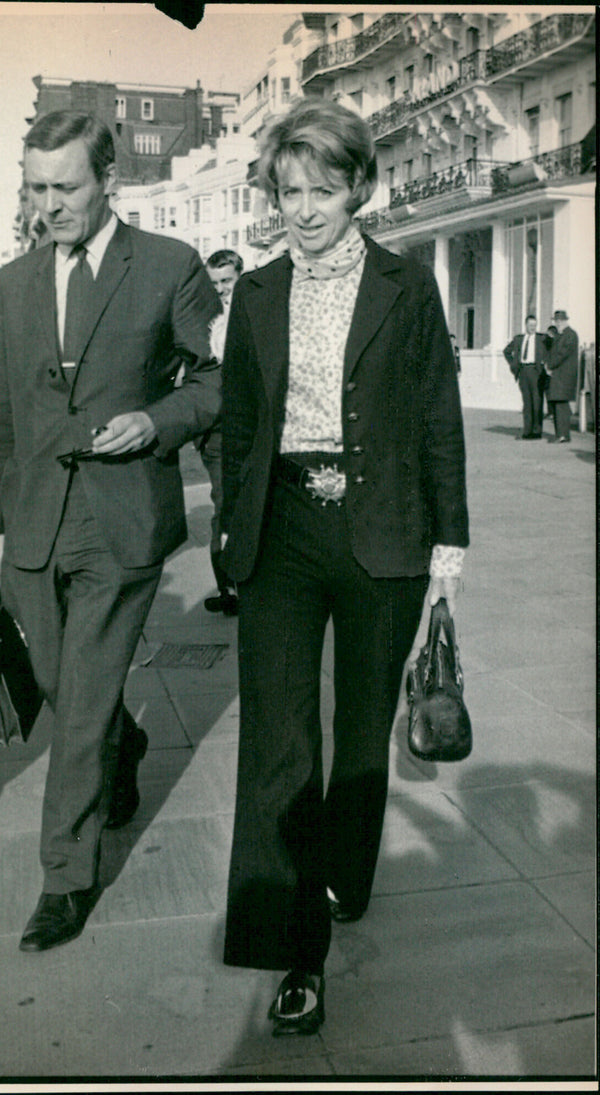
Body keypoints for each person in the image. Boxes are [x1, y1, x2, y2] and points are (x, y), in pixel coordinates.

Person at [219, 100, 469, 1035]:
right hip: (281, 530)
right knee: (281, 741)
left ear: (359, 186)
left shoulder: (408, 287)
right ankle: (292, 945)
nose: (306, 208)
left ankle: (340, 878)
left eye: (324, 189)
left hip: (384, 536)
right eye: (290, 191)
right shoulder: (254, 292)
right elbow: (238, 423)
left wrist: (450, 549)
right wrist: (231, 527)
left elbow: (439, 417)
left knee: (363, 735)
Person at [0, 112, 221, 953]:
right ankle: (127, 741)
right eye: (36, 188)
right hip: (34, 524)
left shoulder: (168, 267)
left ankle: (65, 877)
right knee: (63, 686)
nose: (49, 205)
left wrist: (156, 422)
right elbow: (2, 416)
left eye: (66, 187)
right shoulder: (13, 283)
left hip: (122, 521)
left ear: (107, 179)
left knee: (78, 707)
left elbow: (220, 380)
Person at [199, 249, 244, 616]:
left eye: (226, 281)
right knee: (224, 506)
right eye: (213, 283)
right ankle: (228, 588)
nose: (220, 290)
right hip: (217, 431)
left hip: (252, 426)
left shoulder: (258, 311)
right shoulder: (205, 318)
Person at [503, 315, 548, 439]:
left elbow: (552, 348)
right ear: (526, 325)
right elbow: (506, 351)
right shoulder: (519, 339)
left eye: (534, 325)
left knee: (537, 402)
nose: (533, 327)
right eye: (530, 325)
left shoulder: (542, 338)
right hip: (523, 372)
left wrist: (546, 365)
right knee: (527, 403)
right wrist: (513, 364)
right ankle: (527, 431)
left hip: (536, 372)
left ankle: (537, 431)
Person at [544, 309, 579, 442]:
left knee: (561, 405)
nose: (557, 323)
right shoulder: (561, 335)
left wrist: (549, 365)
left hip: (564, 377)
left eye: (559, 321)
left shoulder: (570, 335)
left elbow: (562, 354)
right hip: (559, 376)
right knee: (558, 405)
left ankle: (563, 435)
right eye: (555, 321)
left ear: (565, 321)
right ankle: (561, 435)